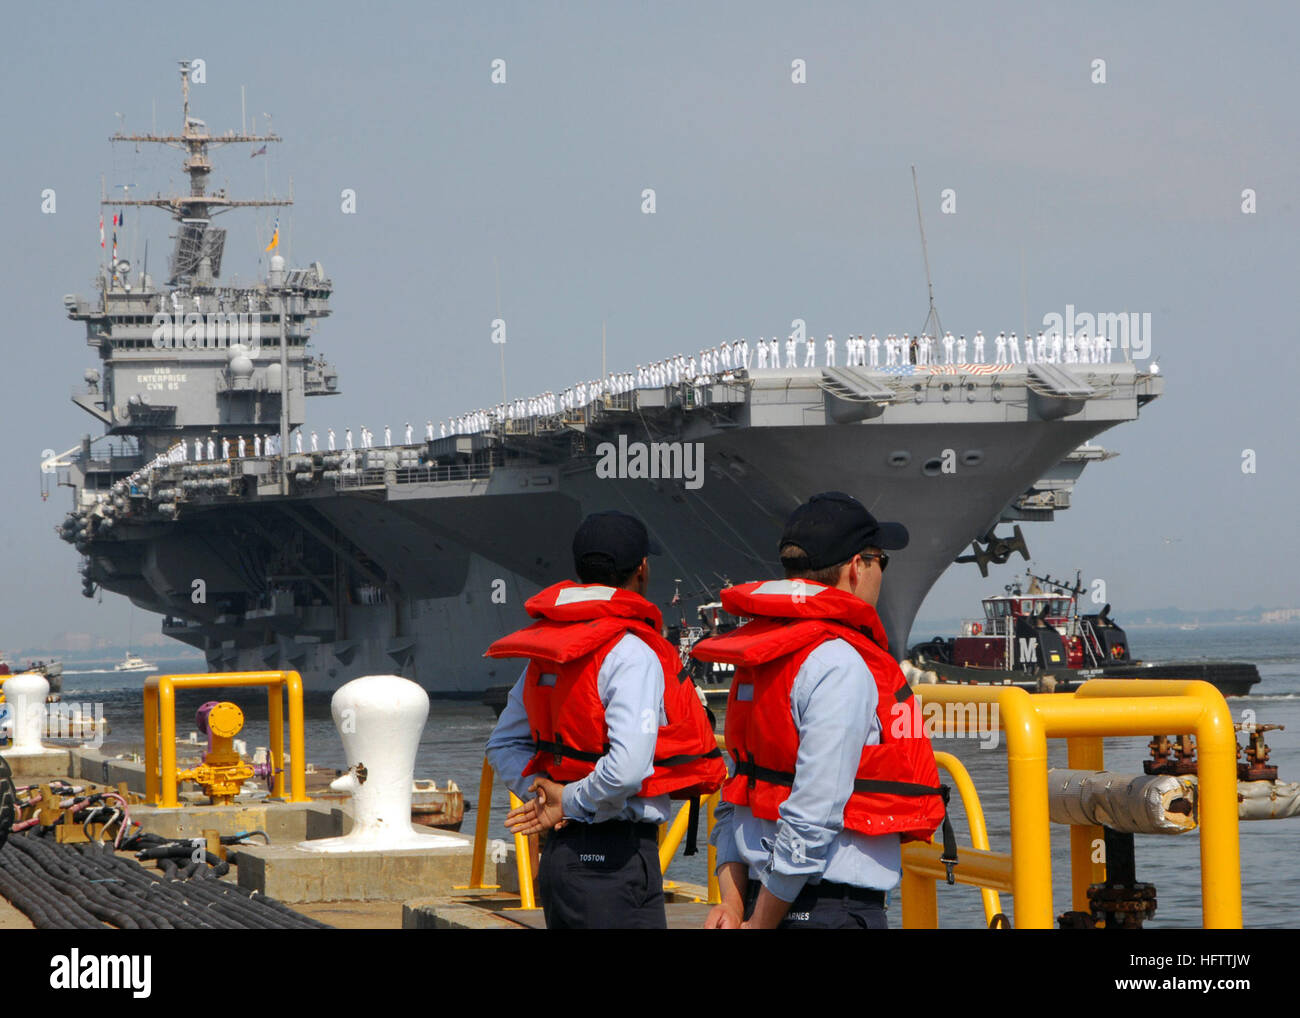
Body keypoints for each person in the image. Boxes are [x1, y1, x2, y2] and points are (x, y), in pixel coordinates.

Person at [692, 492, 950, 930]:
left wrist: (735, 906)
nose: (881, 573)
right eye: (880, 560)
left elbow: (737, 794)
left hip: (763, 897)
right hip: (827, 910)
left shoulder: (759, 658)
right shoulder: (840, 664)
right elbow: (814, 814)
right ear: (857, 567)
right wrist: (760, 922)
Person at [484, 511, 726, 929]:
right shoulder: (632, 653)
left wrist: (544, 796)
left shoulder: (547, 652)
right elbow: (629, 768)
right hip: (616, 864)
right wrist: (570, 802)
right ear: (643, 571)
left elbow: (502, 745)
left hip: (562, 861)